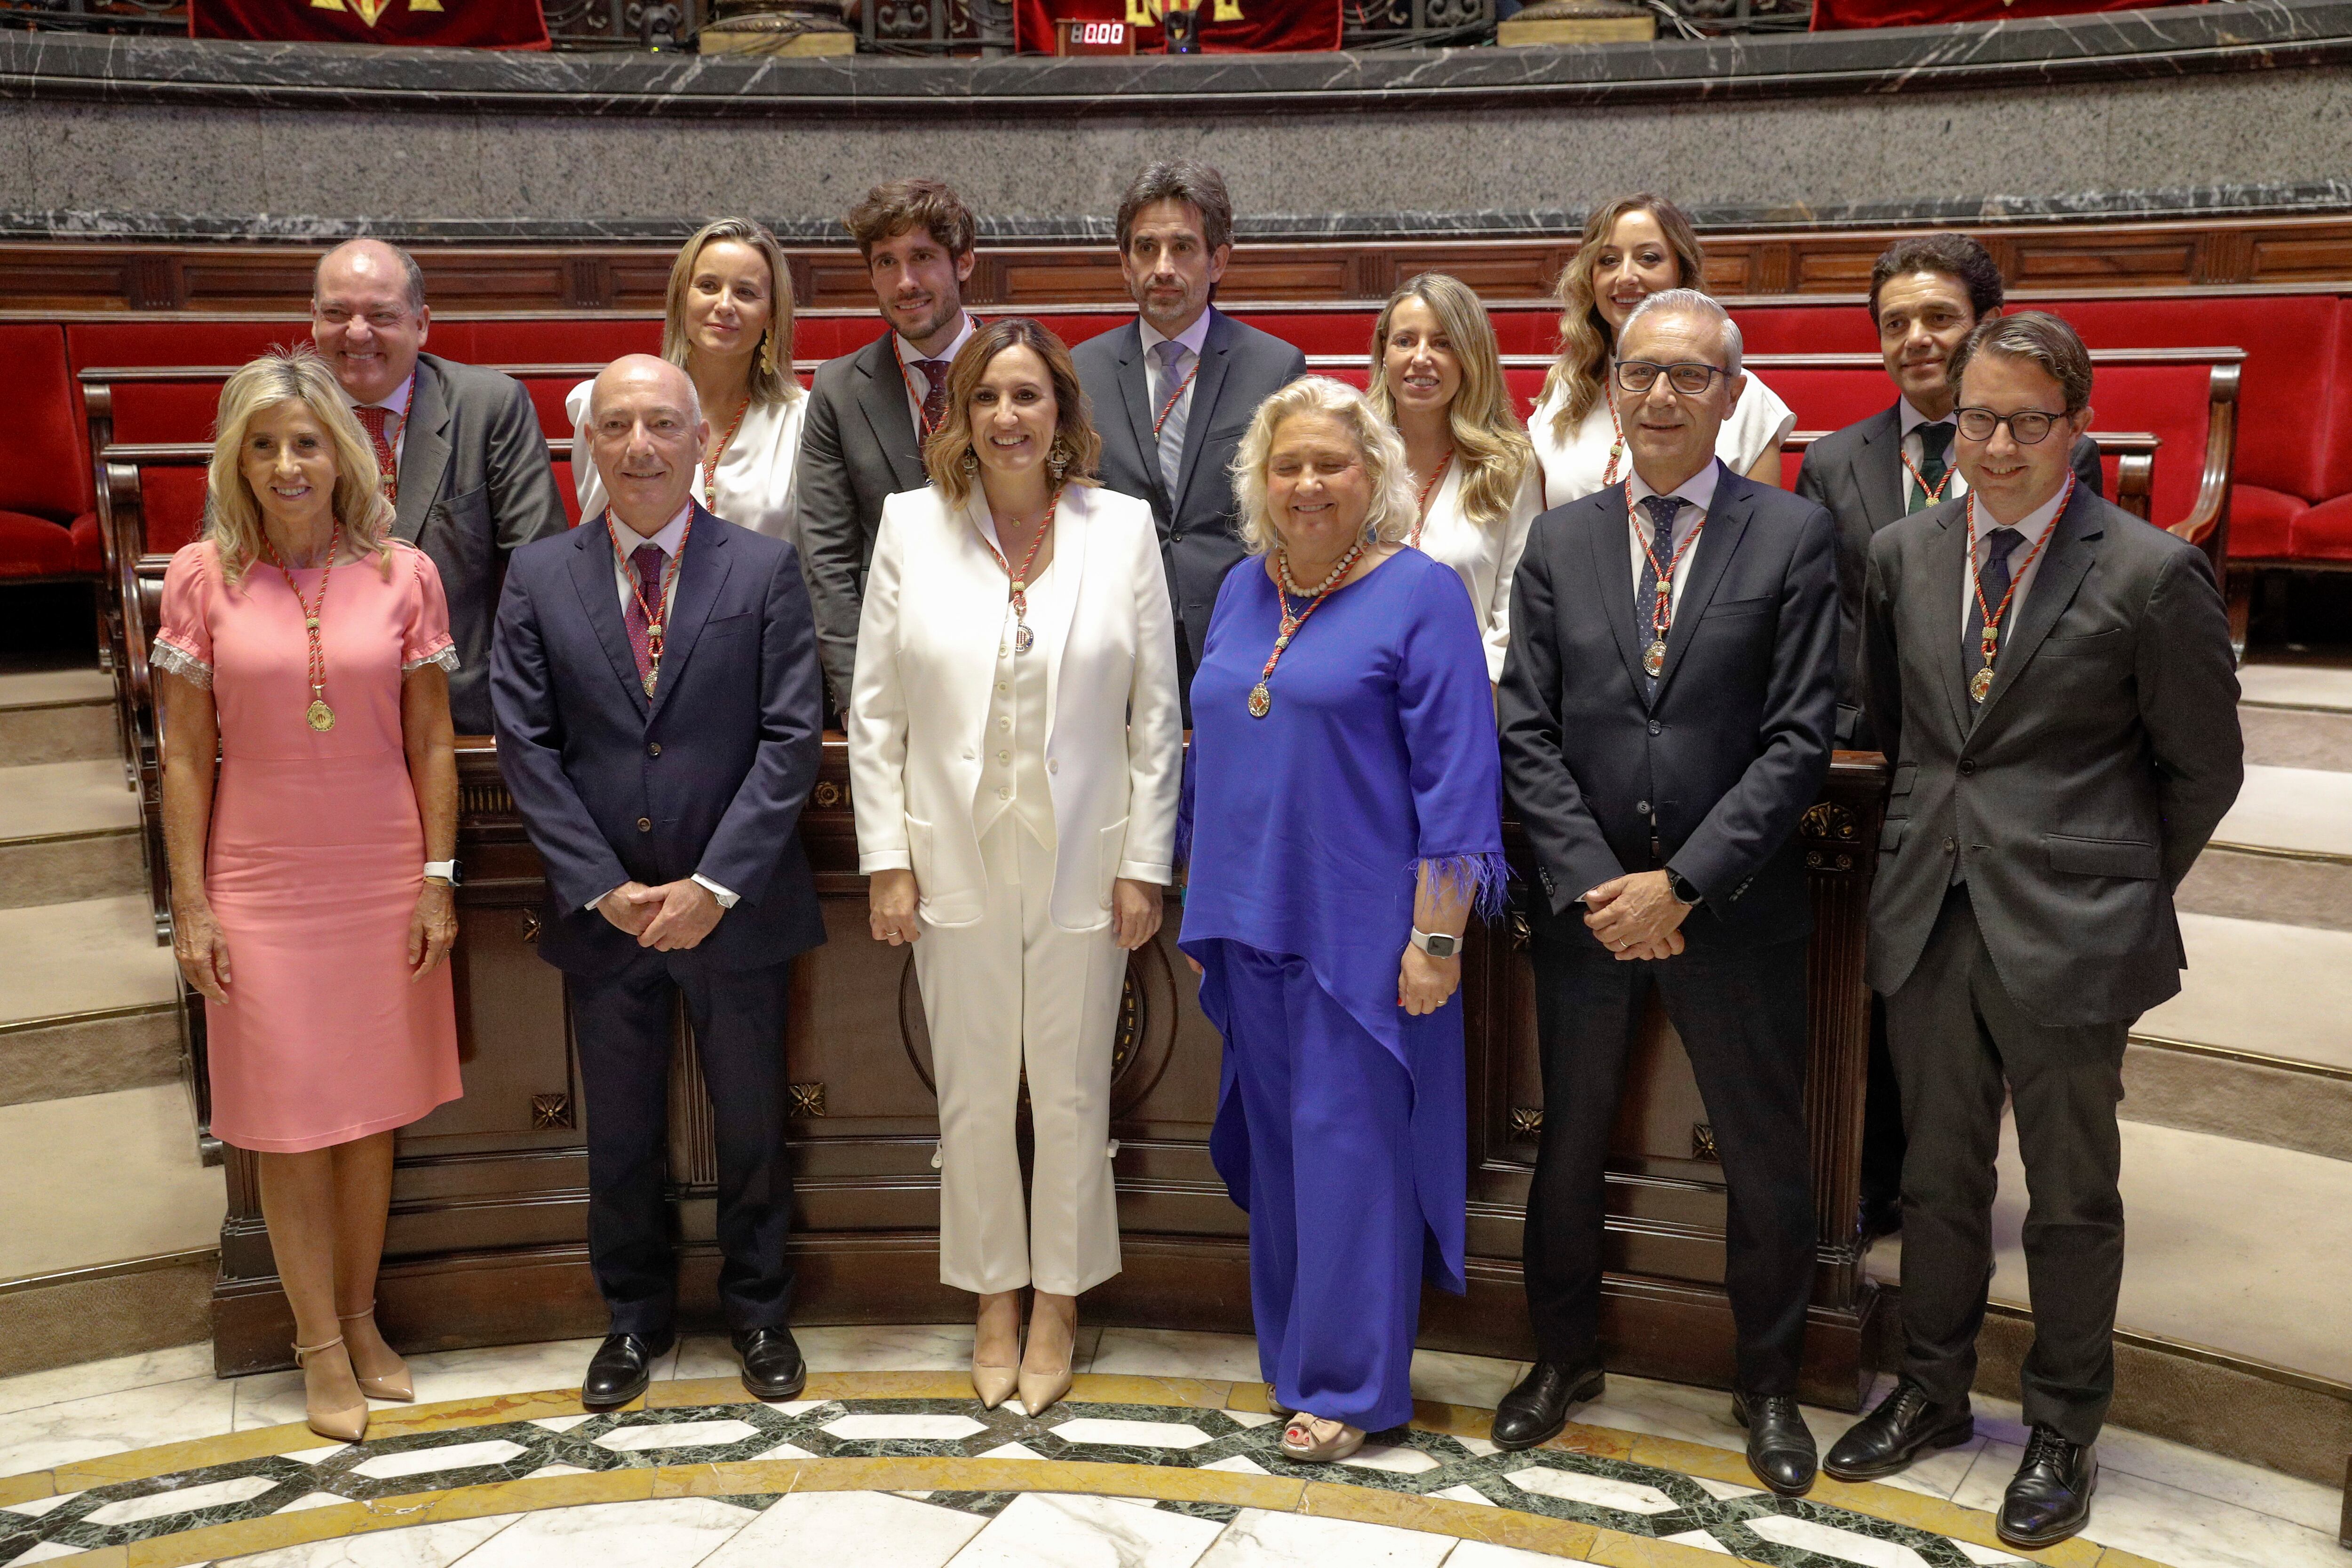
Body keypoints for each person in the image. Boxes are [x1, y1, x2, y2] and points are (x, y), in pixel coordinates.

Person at [1831, 313, 2241, 1551]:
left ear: (2078, 426)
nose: (1996, 445)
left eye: (2025, 421)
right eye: (1975, 419)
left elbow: (2202, 770)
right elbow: (1888, 727)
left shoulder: (2151, 570)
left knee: (2070, 1195)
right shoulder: (1903, 551)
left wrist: (2113, 884)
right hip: (1929, 910)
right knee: (1937, 1179)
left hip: (2076, 925)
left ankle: (2063, 1423)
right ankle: (1936, 1391)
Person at [1494, 291, 1838, 1497]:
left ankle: (1769, 1382)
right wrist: (1602, 884)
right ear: (1614, 386)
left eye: (1690, 377)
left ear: (1731, 394)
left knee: (1763, 1151)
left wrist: (1682, 882)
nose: (1660, 396)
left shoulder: (1791, 537)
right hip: (1587, 911)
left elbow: (1800, 740)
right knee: (1570, 1139)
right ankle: (1561, 1359)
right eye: (1641, 373)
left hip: (1732, 907)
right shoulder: (1562, 539)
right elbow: (1523, 728)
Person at [849, 319, 1182, 1417]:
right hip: (956, 853)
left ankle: (1060, 1303)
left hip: (1083, 857)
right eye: (987, 395)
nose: (1007, 416)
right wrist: (887, 859)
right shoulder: (911, 526)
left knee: (1075, 1089)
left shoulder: (1119, 529)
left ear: (1062, 413)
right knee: (976, 1095)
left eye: (1029, 396)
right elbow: (878, 712)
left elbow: (1154, 715)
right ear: (959, 414)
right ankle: (993, 1296)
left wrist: (1145, 862)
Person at [490, 354, 827, 1412]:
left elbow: (788, 739)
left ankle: (760, 1310)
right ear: (588, 444)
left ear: (703, 443)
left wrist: (713, 884)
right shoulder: (539, 576)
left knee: (750, 1125)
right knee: (622, 1130)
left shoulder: (764, 570)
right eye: (619, 427)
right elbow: (526, 745)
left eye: (663, 426)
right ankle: (632, 1319)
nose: (641, 447)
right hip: (608, 918)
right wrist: (603, 885)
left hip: (737, 910)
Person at [1178, 378, 1503, 1465]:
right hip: (1249, 923)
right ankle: (1293, 1367)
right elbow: (1213, 748)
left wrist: (1437, 939)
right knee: (1280, 1159)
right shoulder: (1237, 590)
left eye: (1332, 464)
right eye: (1287, 467)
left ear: (1375, 478)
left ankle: (1351, 1387)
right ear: (1258, 484)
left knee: (1350, 1161)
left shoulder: (1424, 593)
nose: (1308, 484)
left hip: (1368, 939)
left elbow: (1458, 785)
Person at [152, 347, 463, 1443]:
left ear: (344, 453)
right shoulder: (201, 576)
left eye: (307, 442)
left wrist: (437, 878)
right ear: (237, 458)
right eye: (266, 445)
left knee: (370, 1115)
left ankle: (363, 1319)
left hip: (381, 873)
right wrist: (192, 905)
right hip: (262, 884)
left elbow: (432, 735)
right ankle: (316, 1344)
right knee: (289, 1127)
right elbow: (184, 759)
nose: (289, 465)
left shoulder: (403, 572)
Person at [1794, 233, 2106, 1244]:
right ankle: (1872, 1170)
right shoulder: (1837, 461)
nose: (1916, 339)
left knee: (1974, 993)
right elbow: (1826, 623)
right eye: (1894, 323)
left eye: (1938, 318)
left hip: (1994, 773)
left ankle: (1952, 1168)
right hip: (1869, 766)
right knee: (1872, 991)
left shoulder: (2053, 448)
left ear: (1983, 326)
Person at [1071, 159, 1307, 713]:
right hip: (1112, 634)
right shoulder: (1080, 372)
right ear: (1123, 264)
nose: (1162, 268)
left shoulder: (1272, 368)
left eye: (1182, 248)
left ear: (1217, 259)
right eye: (1145, 249)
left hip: (1238, 631)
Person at [310, 239, 567, 734]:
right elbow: (234, 561)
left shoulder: (490, 407)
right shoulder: (273, 415)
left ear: (422, 323)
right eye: (337, 312)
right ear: (313, 318)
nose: (357, 332)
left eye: (381, 315)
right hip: (316, 703)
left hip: (461, 706)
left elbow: (540, 571)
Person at [795, 178, 984, 711]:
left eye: (922, 257)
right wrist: (864, 698)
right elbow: (827, 563)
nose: (904, 282)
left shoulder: (1025, 372)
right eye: (884, 263)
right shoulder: (837, 389)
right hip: (885, 668)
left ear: (963, 263)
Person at [1526, 196, 1795, 509]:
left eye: (1649, 258)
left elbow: (1762, 531)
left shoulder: (1736, 395)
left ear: (1681, 272)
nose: (1625, 276)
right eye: (1608, 261)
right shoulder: (1564, 392)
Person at [567, 217, 806, 544]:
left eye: (745, 292)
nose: (724, 305)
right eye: (708, 286)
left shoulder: (803, 421)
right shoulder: (604, 406)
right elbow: (595, 537)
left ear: (772, 314)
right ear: (682, 299)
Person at [1363, 271, 1543, 684]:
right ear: (1384, 354)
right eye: (1405, 341)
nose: (1421, 357)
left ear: (1470, 356)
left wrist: (1472, 699)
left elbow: (1515, 612)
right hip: (1359, 702)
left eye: (1443, 343)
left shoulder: (1511, 467)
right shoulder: (1353, 459)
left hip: (1472, 695)